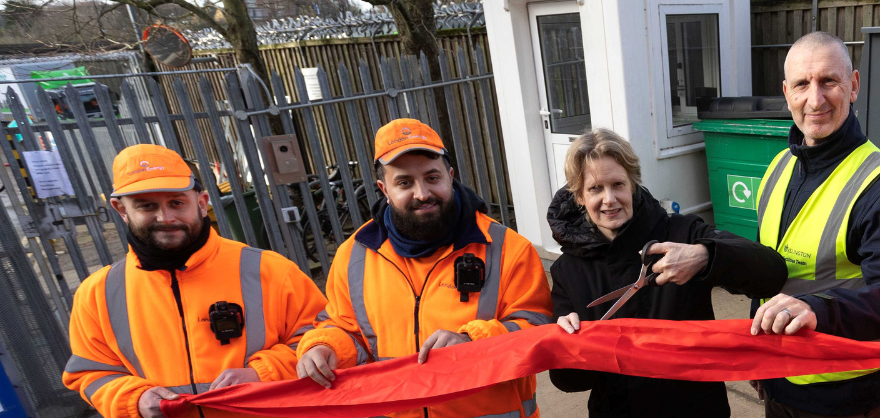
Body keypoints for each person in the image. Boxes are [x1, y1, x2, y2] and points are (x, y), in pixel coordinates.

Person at [294, 119, 553, 418]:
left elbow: (538, 332)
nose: (422, 193)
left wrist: (473, 342)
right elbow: (345, 328)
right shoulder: (354, 255)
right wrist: (325, 348)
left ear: (450, 176)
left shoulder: (508, 248)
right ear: (384, 189)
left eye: (432, 177)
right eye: (404, 182)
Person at [61, 144, 326, 418]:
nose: (165, 217)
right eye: (147, 206)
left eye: (177, 202)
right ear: (121, 210)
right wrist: (134, 400)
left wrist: (262, 372)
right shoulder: (97, 293)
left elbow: (321, 339)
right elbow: (90, 373)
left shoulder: (270, 270)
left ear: (201, 203)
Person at [547, 128, 788, 418]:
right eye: (595, 189)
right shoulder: (566, 270)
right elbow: (567, 382)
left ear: (633, 185)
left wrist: (705, 255)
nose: (609, 199)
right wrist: (566, 347)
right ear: (579, 197)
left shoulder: (681, 233)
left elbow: (772, 272)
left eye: (618, 184)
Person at [747, 31, 880, 418]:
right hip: (778, 377)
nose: (815, 99)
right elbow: (766, 274)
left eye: (828, 81)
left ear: (854, 85)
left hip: (843, 395)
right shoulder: (780, 167)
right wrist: (757, 352)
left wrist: (818, 310)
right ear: (786, 92)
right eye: (801, 84)